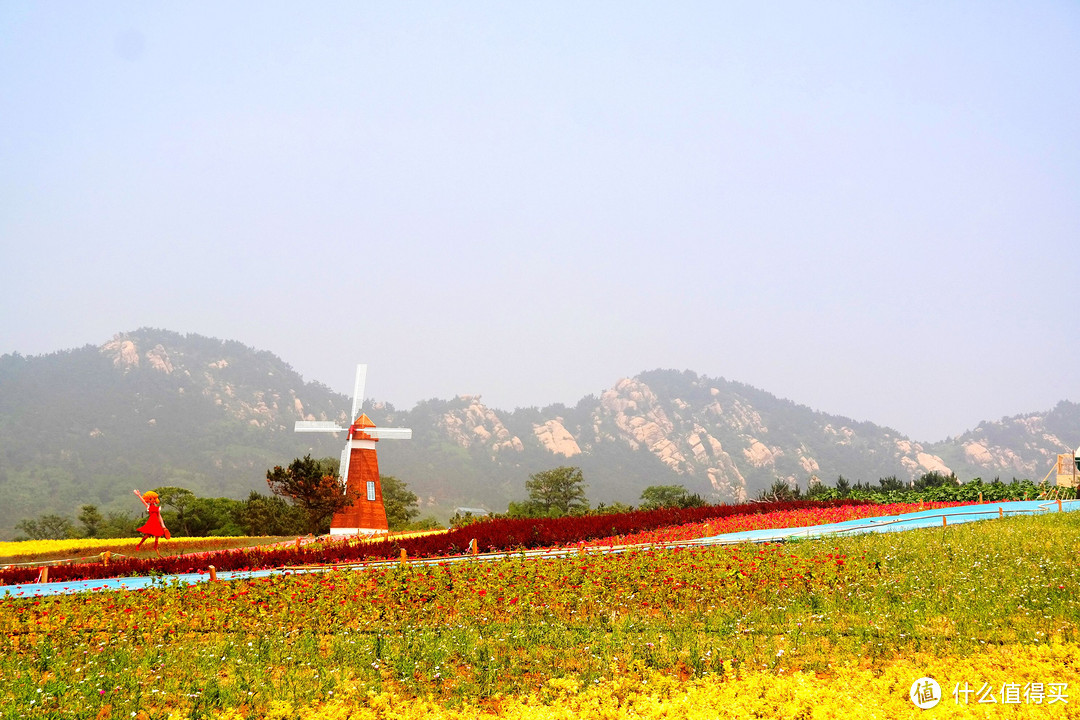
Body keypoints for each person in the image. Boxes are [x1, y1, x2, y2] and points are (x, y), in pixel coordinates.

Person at [133, 489, 171, 557]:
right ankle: (138, 545)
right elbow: (143, 501)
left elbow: (160, 517)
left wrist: (163, 526)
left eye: (153, 498)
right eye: (150, 499)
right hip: (151, 522)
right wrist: (139, 495)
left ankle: (156, 549)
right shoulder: (148, 507)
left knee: (157, 537)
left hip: (156, 523)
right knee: (147, 536)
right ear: (148, 500)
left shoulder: (157, 508)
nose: (152, 500)